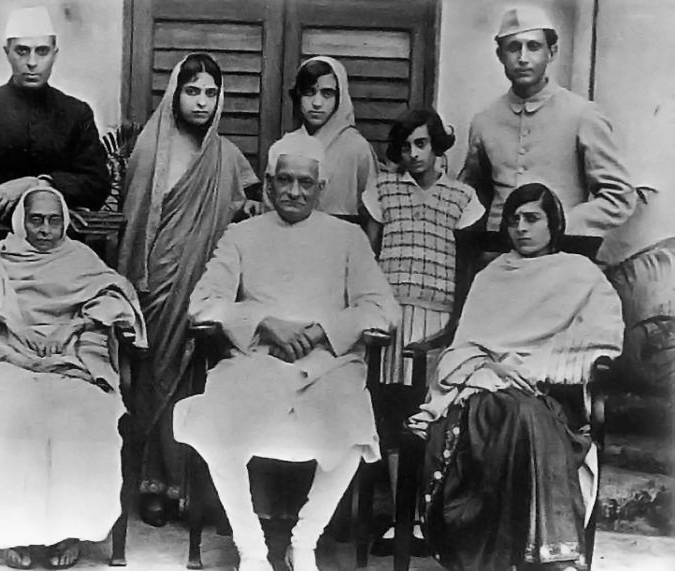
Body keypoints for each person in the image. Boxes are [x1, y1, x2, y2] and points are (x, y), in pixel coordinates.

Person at [173, 132, 400, 571]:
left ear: (321, 188)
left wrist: (323, 330)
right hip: (257, 361)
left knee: (354, 426)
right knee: (218, 421)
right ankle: (252, 549)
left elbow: (382, 309)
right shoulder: (240, 235)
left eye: (305, 183)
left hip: (327, 366)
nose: (294, 191)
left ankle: (305, 540)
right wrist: (263, 322)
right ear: (270, 182)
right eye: (284, 180)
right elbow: (202, 304)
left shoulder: (348, 238)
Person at [407, 184, 624, 571]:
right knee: (512, 411)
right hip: (484, 387)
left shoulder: (579, 273)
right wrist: (494, 368)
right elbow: (464, 344)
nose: (520, 228)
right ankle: (542, 556)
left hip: (551, 391)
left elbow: (601, 338)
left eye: (531, 218)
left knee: (527, 412)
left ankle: (533, 553)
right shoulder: (492, 275)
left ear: (553, 224)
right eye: (513, 220)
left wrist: (536, 368)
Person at [0, 187, 146, 570]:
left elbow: (117, 296)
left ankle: (69, 532)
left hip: (73, 363)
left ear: (64, 221)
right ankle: (13, 534)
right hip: (11, 360)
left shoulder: (81, 258)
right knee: (7, 416)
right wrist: (1, 315)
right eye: (36, 219)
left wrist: (79, 325)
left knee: (81, 417)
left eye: (54, 220)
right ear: (22, 220)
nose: (46, 229)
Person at [118, 53, 259, 526]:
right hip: (157, 287)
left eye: (211, 92)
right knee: (157, 382)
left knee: (205, 384)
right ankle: (154, 486)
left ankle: (201, 491)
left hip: (210, 290)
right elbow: (135, 224)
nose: (201, 101)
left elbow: (249, 212)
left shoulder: (228, 158)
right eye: (192, 90)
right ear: (175, 94)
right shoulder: (150, 149)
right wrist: (136, 283)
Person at [362, 107, 484, 552]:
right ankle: (401, 517)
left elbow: (468, 271)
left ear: (436, 147)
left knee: (430, 416)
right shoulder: (383, 189)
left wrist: (456, 328)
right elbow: (366, 256)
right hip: (390, 320)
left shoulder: (462, 198)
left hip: (438, 325)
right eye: (406, 146)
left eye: (422, 144)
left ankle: (429, 520)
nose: (413, 154)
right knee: (391, 416)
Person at [459, 5, 636, 237]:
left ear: (551, 52)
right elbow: (471, 190)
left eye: (533, 47)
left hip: (561, 251)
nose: (523, 58)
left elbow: (619, 195)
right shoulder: (485, 120)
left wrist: (563, 223)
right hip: (497, 252)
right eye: (513, 48)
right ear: (500, 55)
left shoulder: (582, 114)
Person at [0, 6, 109, 229]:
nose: (32, 62)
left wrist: (37, 185)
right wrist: (46, 201)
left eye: (42, 51)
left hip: (61, 244)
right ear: (7, 53)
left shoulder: (76, 113)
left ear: (55, 53)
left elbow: (96, 185)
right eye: (22, 51)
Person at [284, 56, 379, 223]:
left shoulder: (357, 148)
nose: (317, 103)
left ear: (340, 98)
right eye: (309, 92)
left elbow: (374, 213)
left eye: (327, 94)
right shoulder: (286, 146)